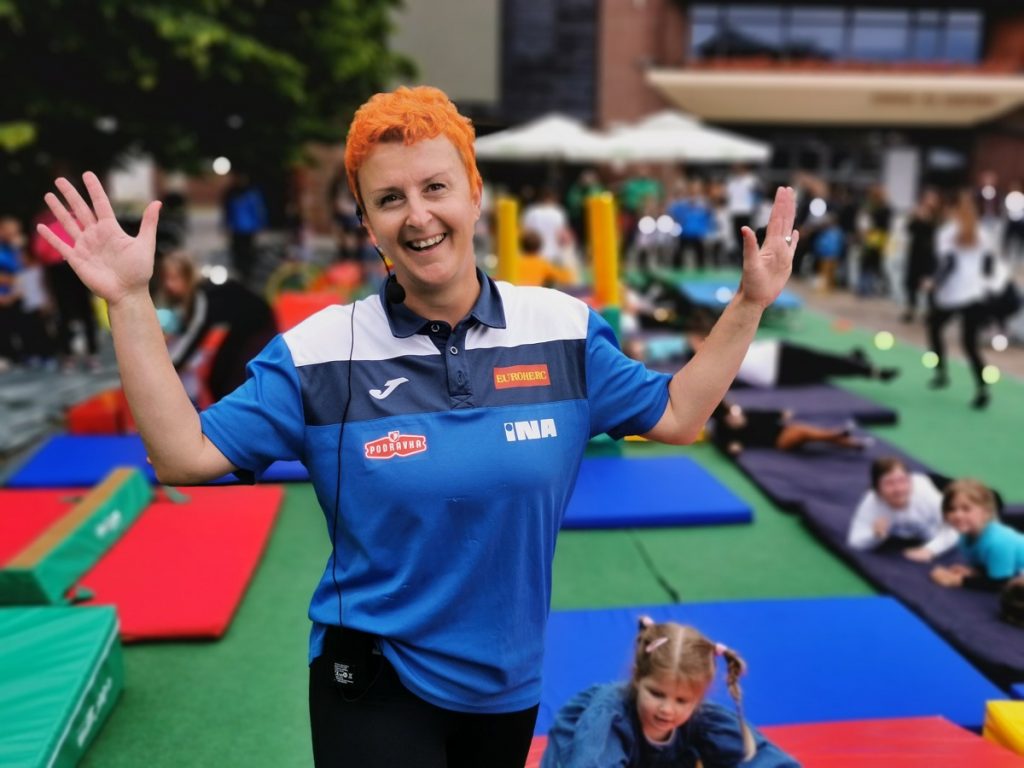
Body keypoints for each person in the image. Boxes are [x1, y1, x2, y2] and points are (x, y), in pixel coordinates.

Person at [36, 85, 798, 767]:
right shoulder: (323, 352)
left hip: (508, 681)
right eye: (390, 199)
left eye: (436, 187)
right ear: (368, 223)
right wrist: (129, 301)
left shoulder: (561, 330)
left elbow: (678, 415)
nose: (419, 215)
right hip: (375, 676)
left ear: (473, 193)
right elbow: (183, 455)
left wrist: (749, 304)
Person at [541, 617, 798, 767]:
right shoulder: (609, 718)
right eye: (656, 694)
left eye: (682, 700)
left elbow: (765, 760)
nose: (667, 709)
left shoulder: (704, 719)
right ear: (637, 678)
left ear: (698, 699)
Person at [158, 250, 278, 403]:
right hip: (241, 327)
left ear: (188, 276)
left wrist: (174, 365)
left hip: (259, 327)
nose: (169, 285)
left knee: (229, 375)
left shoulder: (202, 293)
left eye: (175, 278)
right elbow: (187, 331)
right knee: (218, 375)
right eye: (166, 279)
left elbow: (196, 334)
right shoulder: (192, 299)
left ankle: (238, 410)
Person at [925, 190, 994, 409]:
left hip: (953, 294)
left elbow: (949, 263)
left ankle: (941, 372)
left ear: (950, 209)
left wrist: (934, 282)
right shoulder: (982, 232)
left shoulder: (948, 232)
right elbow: (989, 264)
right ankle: (982, 388)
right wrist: (983, 284)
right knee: (970, 344)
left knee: (934, 326)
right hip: (976, 293)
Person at [846, 457, 958, 562]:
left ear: (911, 481)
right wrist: (875, 536)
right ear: (877, 489)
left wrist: (930, 550)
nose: (898, 489)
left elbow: (955, 528)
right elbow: (855, 542)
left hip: (940, 487)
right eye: (889, 483)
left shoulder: (926, 494)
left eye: (902, 480)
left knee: (962, 495)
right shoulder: (871, 502)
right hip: (922, 529)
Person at [931, 479, 1024, 591]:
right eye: (951, 509)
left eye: (966, 509)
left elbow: (1000, 583)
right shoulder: (965, 537)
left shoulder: (999, 541)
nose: (958, 515)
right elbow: (989, 567)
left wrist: (958, 580)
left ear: (986, 512)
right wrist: (974, 572)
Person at [710, 400, 869, 456]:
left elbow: (764, 414)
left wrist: (780, 413)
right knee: (803, 431)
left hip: (784, 430)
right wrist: (733, 447)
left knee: (814, 434)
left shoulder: (745, 413)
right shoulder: (722, 431)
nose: (735, 417)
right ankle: (839, 434)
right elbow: (729, 446)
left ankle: (854, 443)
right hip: (780, 441)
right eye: (731, 418)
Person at [902, 189, 940, 323]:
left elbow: (936, 232)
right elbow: (909, 229)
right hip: (916, 254)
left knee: (929, 285)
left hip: (930, 255)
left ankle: (930, 313)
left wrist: (926, 220)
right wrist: (916, 217)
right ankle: (911, 309)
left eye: (932, 199)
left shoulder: (937, 216)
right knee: (911, 283)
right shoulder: (917, 213)